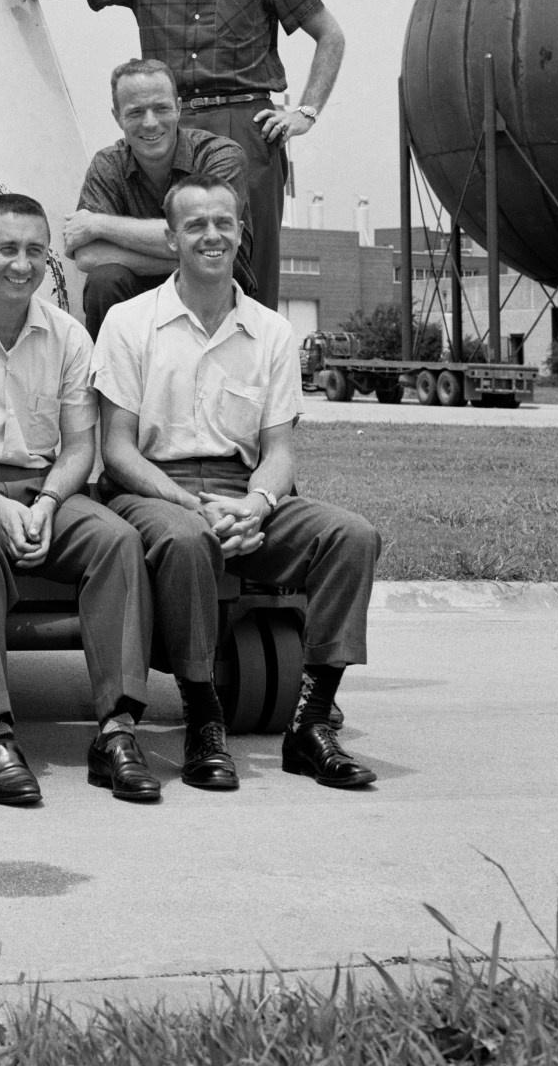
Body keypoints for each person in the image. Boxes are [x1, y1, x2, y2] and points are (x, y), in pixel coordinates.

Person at [96, 176, 381, 793]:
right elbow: (114, 449)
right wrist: (188, 504)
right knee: (188, 539)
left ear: (241, 232)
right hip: (153, 488)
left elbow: (279, 451)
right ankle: (204, 718)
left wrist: (257, 503)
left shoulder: (271, 331)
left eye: (224, 222)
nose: (212, 235)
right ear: (171, 239)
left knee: (352, 537)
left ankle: (309, 726)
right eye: (195, 224)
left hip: (245, 490)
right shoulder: (128, 322)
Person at [6, 0, 343, 309]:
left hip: (247, 126)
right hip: (167, 134)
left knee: (247, 268)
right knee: (171, 252)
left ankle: (256, 373)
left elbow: (330, 34)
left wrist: (305, 111)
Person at [0, 195, 162, 807]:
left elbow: (82, 446)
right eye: (6, 248)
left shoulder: (69, 336)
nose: (21, 264)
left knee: (117, 541)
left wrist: (48, 502)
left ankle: (117, 730)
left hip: (43, 485)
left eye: (33, 250)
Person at [66, 57, 256, 338]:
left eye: (161, 108)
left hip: (215, 294)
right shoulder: (108, 165)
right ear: (117, 116)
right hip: (138, 296)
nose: (150, 123)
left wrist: (98, 225)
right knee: (105, 280)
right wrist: (191, 258)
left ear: (179, 108)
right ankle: (108, 380)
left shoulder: (220, 156)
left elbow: (210, 236)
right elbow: (87, 255)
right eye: (135, 112)